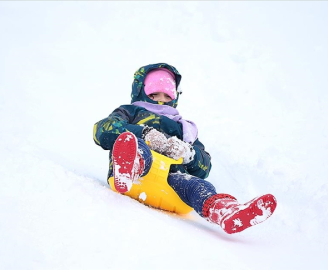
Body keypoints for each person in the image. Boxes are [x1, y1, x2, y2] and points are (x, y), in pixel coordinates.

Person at [93, 63, 277, 234]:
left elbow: (204, 167)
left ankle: (225, 211)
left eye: (167, 96)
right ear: (141, 92)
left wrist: (188, 154)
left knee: (198, 185)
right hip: (139, 172)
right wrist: (144, 133)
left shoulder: (184, 127)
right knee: (138, 147)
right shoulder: (131, 112)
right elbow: (102, 129)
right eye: (153, 95)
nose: (161, 101)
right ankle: (130, 167)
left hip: (171, 181)